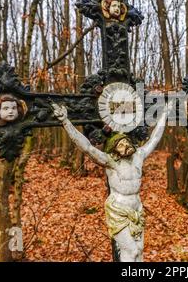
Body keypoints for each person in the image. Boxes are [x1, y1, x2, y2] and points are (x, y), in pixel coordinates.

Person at [52, 101, 173, 261]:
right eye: (120, 145)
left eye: (126, 142)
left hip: (137, 208)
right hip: (118, 208)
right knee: (131, 251)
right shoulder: (111, 162)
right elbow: (87, 147)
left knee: (139, 250)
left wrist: (164, 115)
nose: (125, 146)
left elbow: (155, 138)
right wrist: (65, 122)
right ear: (114, 150)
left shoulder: (138, 156)